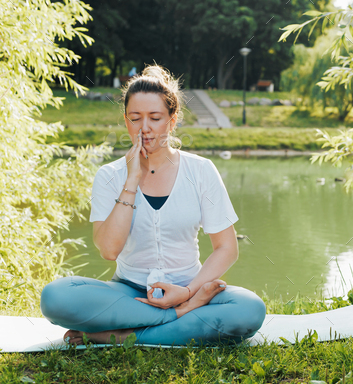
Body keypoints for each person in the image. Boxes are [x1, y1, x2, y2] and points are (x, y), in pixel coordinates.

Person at [40, 64, 266, 347]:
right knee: (55, 297)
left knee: (249, 309)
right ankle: (179, 318)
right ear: (125, 121)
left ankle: (121, 336)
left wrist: (186, 292)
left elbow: (227, 249)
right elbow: (109, 250)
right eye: (135, 118)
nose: (144, 128)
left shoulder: (201, 171)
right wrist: (132, 180)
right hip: (127, 293)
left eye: (155, 118)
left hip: (190, 288)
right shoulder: (110, 176)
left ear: (172, 121)